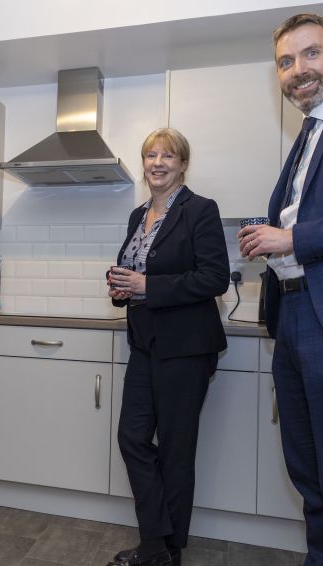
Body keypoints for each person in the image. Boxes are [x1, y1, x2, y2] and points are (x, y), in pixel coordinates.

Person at [107, 128, 229, 566]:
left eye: (168, 156)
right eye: (150, 155)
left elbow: (214, 277)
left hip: (186, 347)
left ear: (183, 164)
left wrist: (147, 285)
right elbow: (133, 271)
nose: (158, 162)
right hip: (145, 344)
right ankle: (158, 542)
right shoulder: (137, 214)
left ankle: (164, 550)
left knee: (177, 449)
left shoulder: (201, 210)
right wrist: (122, 287)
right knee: (132, 438)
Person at [239, 13, 323, 565]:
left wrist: (288, 236)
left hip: (317, 314)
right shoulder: (305, 138)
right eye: (287, 62)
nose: (299, 70)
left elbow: (298, 231)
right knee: (307, 465)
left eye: (312, 54)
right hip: (291, 315)